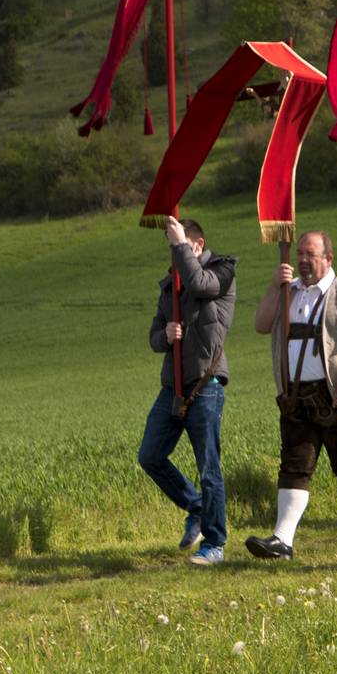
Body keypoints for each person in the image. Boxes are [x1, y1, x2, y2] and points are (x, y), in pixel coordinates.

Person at [247, 231, 337, 560]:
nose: (303, 261)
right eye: (300, 255)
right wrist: (274, 286)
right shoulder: (287, 292)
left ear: (328, 259)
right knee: (294, 466)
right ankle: (282, 540)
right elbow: (262, 325)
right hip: (295, 396)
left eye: (310, 254)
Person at [139, 216, 237, 566]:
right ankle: (194, 505)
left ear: (197, 245)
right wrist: (163, 336)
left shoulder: (222, 271)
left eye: (181, 245)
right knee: (149, 456)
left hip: (205, 384)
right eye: (173, 247)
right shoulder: (169, 286)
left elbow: (200, 285)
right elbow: (152, 337)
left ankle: (215, 543)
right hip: (173, 387)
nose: (175, 253)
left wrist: (181, 246)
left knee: (209, 467)